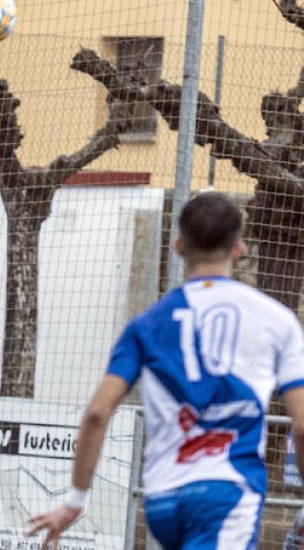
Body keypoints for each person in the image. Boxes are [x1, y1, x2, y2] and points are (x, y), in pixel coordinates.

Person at [28, 193, 304, 550]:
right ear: (239, 249)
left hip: (162, 497)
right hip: (225, 491)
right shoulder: (276, 320)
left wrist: (76, 499)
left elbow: (97, 412)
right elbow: (301, 424)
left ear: (178, 246)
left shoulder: (146, 324)